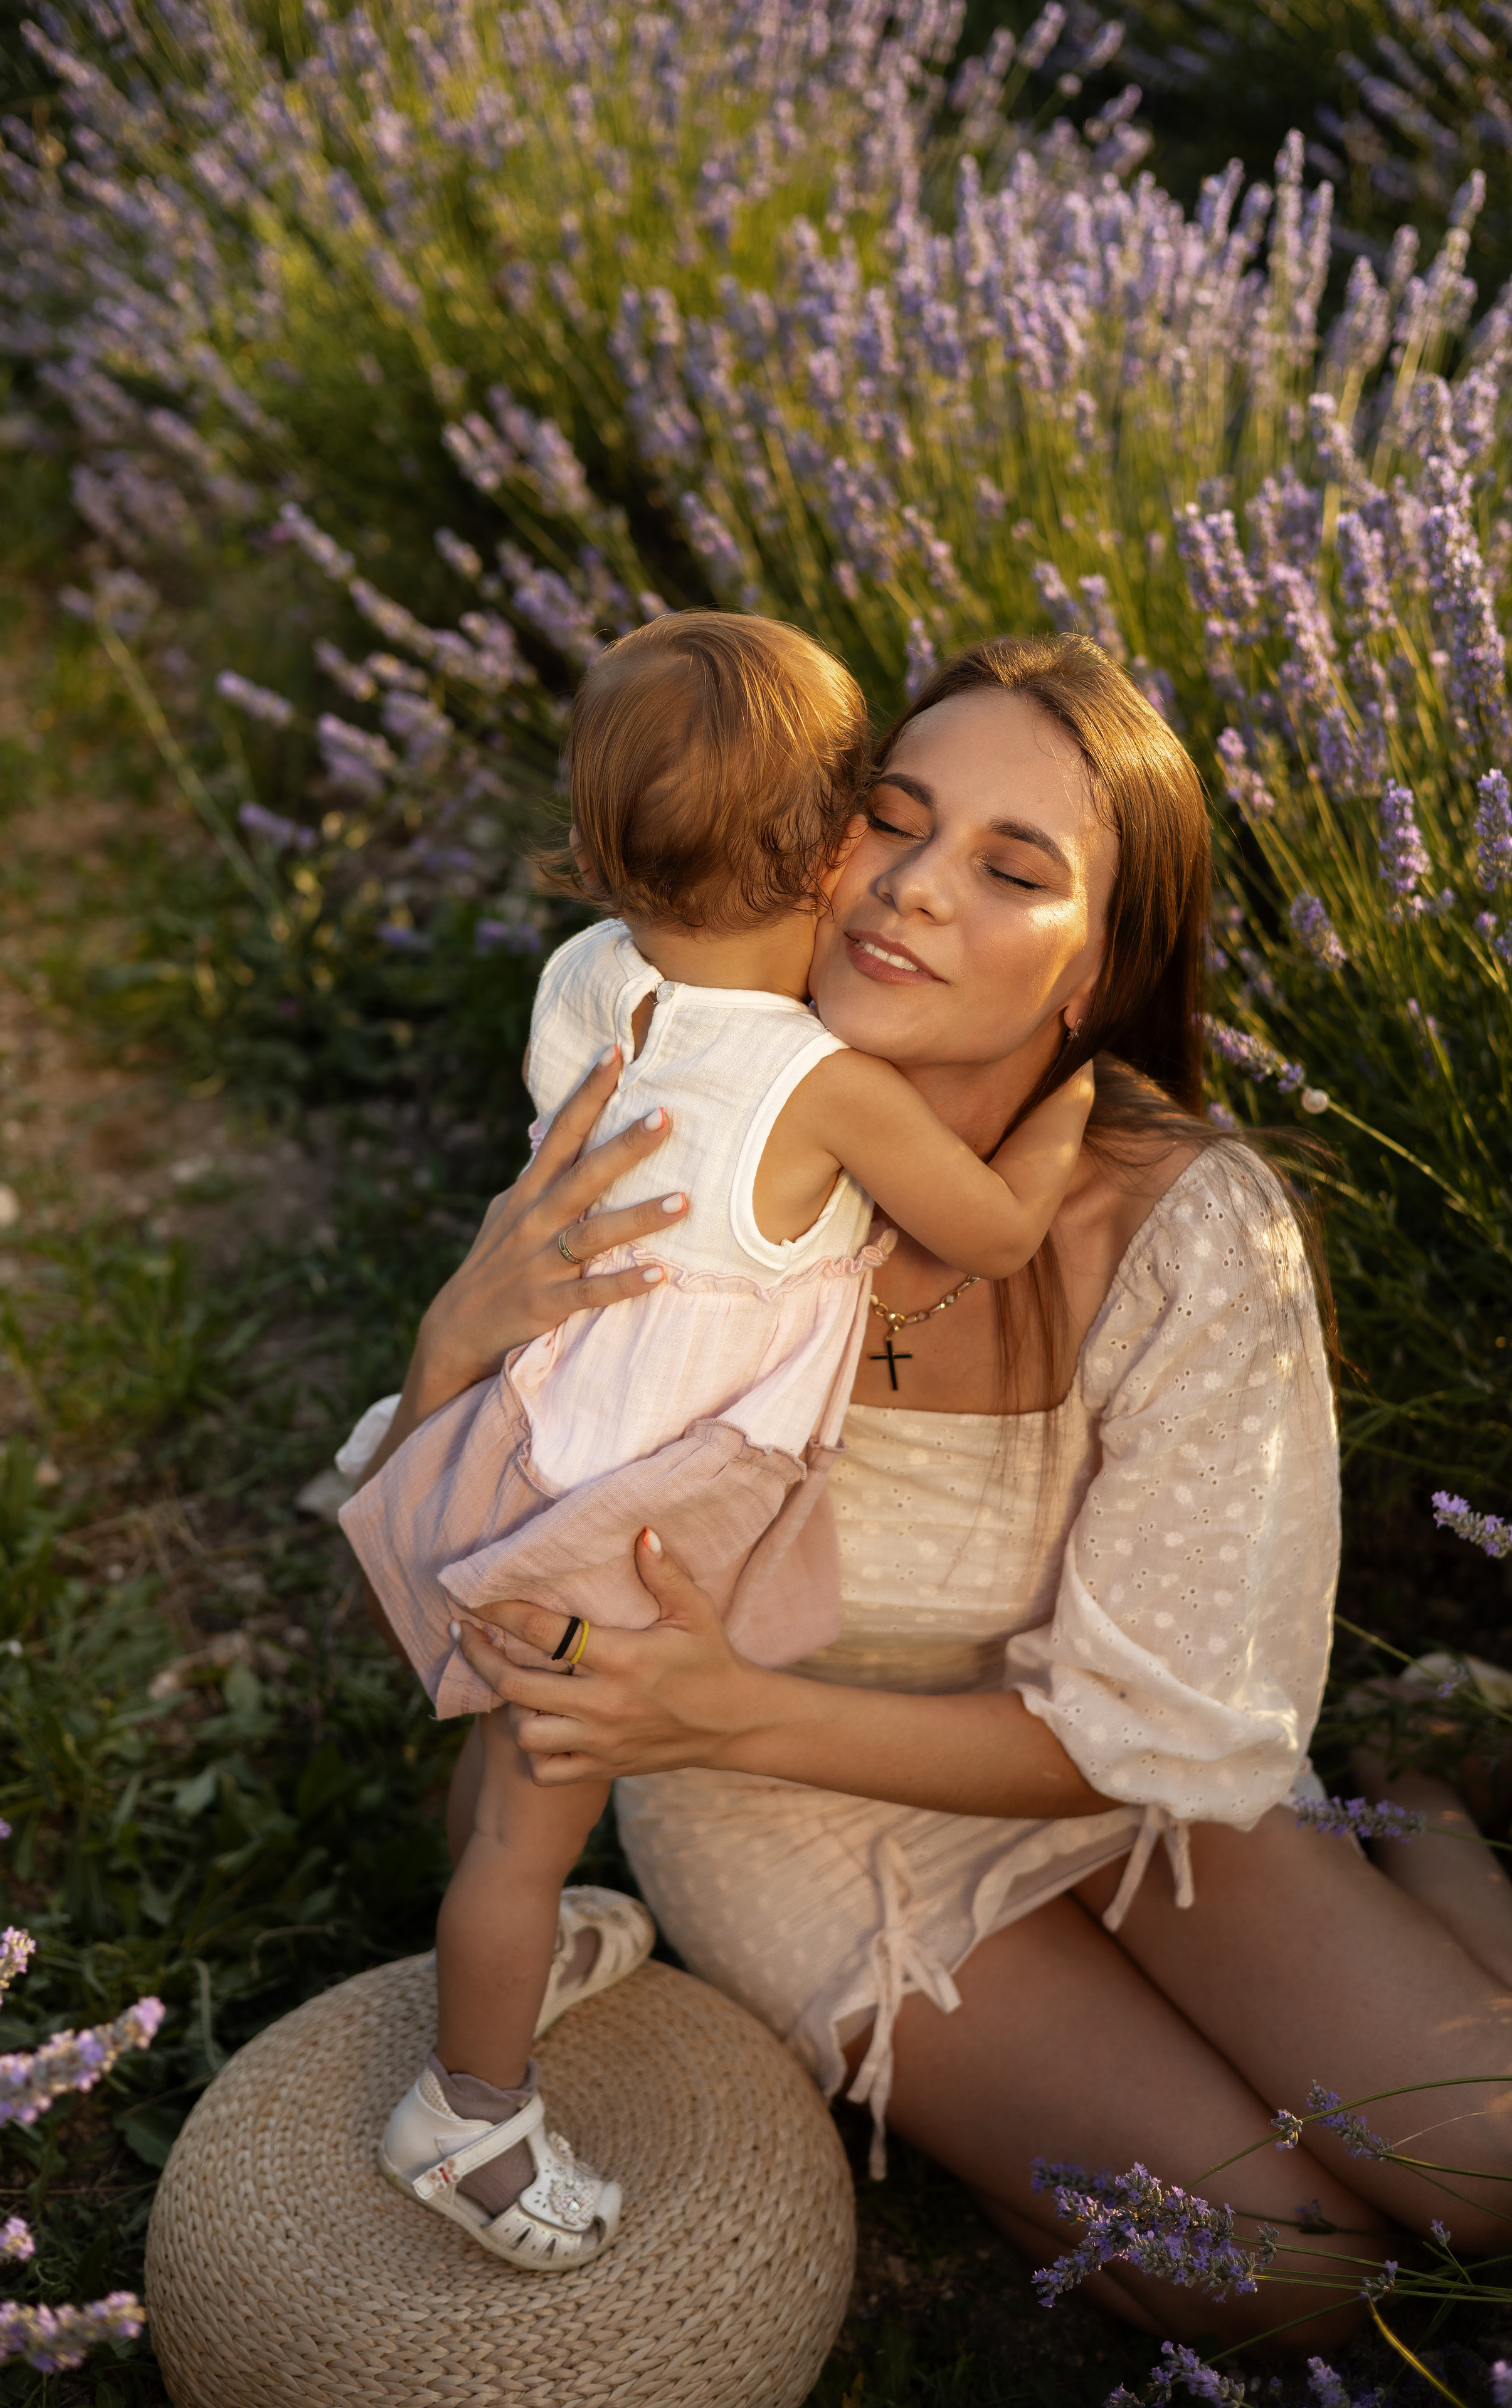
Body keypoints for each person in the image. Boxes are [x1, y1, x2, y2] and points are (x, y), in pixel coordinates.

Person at [346, 634, 1512, 2347]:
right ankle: (1056, 2118)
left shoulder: (1190, 1231)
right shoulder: (688, 1111)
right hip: (774, 1806)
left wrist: (715, 1700)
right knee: (1293, 2277)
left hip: (1097, 1756)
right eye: (892, 821)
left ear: (1098, 970)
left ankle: (1422, 1789)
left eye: (1013, 869)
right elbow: (445, 1545)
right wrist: (453, 1332)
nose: (911, 890)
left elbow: (1152, 1723)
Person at [347, 614, 1092, 2271]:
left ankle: (496, 1951)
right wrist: (1059, 1133)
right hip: (614, 1522)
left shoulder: (595, 977)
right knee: (541, 1820)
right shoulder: (820, 1084)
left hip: (532, 1435)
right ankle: (465, 2115)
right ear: (838, 852)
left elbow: (577, 1121)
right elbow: (977, 1228)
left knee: (504, 1777)